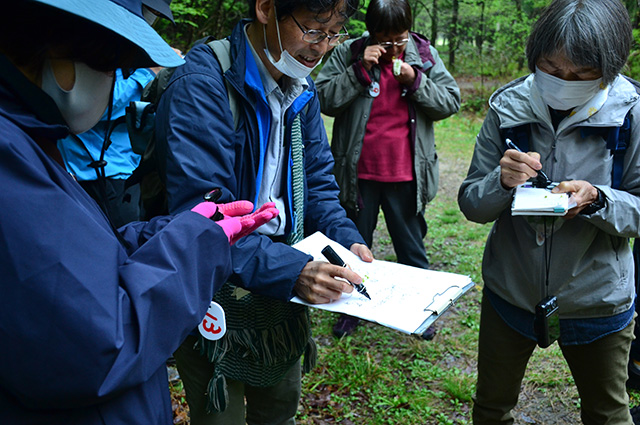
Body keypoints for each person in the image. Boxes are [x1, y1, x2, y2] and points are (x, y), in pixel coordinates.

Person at [0, 1, 278, 423]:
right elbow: (101, 340)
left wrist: (178, 229)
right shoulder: (10, 156)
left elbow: (78, 264)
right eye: (112, 68)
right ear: (57, 50)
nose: (114, 84)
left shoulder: (30, 139)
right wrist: (197, 244)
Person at [155, 0, 373, 423]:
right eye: (312, 29)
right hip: (212, 288)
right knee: (221, 415)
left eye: (334, 35)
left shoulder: (301, 87)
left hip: (281, 289)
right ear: (266, 8)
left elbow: (318, 185)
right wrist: (292, 271)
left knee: (279, 411)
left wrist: (348, 240)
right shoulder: (204, 83)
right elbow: (204, 217)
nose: (321, 47)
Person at [457, 0, 640, 423]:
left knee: (608, 413)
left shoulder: (630, 112)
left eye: (580, 75)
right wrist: (500, 182)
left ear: (609, 69)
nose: (563, 82)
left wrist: (597, 199)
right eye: (552, 69)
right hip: (511, 290)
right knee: (490, 407)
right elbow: (471, 202)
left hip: (599, 297)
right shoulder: (508, 107)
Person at [315, 0, 460, 338]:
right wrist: (357, 74)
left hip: (405, 175)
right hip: (358, 174)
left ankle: (421, 312)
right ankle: (351, 309)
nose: (393, 47)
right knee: (354, 247)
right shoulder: (350, 53)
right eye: (385, 40)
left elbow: (450, 101)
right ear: (372, 33)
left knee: (412, 250)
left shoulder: (423, 55)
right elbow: (323, 99)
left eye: (400, 39)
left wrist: (416, 79)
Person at [56, 0, 175, 227]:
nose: (152, 17)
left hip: (121, 172)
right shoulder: (98, 41)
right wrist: (150, 73)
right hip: (95, 173)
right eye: (150, 10)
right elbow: (89, 102)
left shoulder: (135, 41)